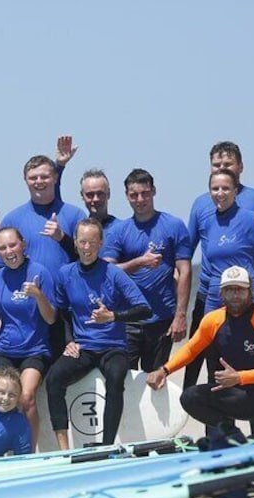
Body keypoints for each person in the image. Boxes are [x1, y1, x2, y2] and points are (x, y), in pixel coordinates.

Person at [147, 266, 254, 440]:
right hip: (236, 397)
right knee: (190, 397)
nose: (235, 295)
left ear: (250, 292)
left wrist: (240, 377)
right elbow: (191, 349)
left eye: (240, 289)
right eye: (229, 290)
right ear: (221, 294)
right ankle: (231, 434)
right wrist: (164, 370)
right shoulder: (213, 319)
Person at [185, 142, 254, 390]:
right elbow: (187, 248)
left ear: (240, 166)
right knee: (209, 356)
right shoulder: (201, 203)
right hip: (209, 292)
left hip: (247, 291)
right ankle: (213, 418)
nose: (222, 168)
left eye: (227, 164)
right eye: (216, 165)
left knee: (253, 353)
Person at [46, 219, 151, 450]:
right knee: (53, 378)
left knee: (115, 378)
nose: (86, 247)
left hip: (113, 347)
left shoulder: (114, 274)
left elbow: (144, 309)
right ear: (75, 243)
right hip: (83, 347)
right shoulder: (65, 273)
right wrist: (69, 340)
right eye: (82, 242)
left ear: (101, 243)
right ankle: (64, 448)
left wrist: (113, 317)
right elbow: (62, 311)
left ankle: (107, 446)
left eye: (92, 242)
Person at [0, 148, 86, 361]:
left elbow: (87, 257)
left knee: (60, 375)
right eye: (33, 177)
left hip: (65, 310)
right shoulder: (12, 219)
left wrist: (61, 237)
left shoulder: (74, 215)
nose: (39, 181)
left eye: (45, 176)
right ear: (25, 180)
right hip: (25, 311)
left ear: (55, 177)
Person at [105, 168, 192, 372]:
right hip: (128, 319)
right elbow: (108, 272)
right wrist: (139, 262)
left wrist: (180, 316)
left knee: (155, 379)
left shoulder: (174, 226)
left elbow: (185, 271)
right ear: (127, 196)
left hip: (162, 319)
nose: (140, 199)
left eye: (144, 193)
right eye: (134, 195)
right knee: (123, 379)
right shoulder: (119, 231)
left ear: (153, 191)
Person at [0, 227, 57, 447]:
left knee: (25, 398)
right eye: (2, 248)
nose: (9, 251)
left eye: (12, 245)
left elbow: (51, 318)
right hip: (4, 348)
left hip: (34, 349)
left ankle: (28, 450)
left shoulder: (40, 272)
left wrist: (38, 295)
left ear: (23, 245)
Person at [78, 168, 119, 258]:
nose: (95, 199)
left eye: (100, 194)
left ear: (108, 194)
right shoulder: (78, 231)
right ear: (82, 196)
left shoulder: (122, 229)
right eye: (90, 195)